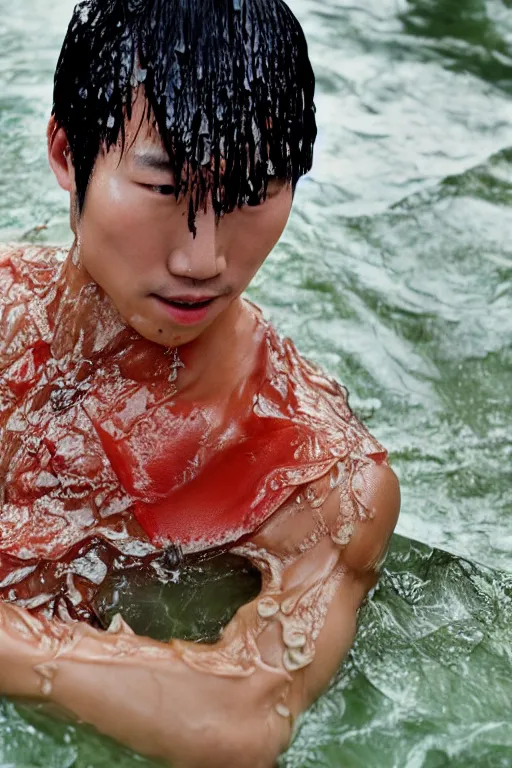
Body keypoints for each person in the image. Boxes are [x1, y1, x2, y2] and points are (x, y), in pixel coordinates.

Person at [0, 0, 400, 766]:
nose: (202, 259)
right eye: (164, 187)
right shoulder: (8, 309)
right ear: (64, 153)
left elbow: (247, 713)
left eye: (250, 194)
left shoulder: (318, 476)